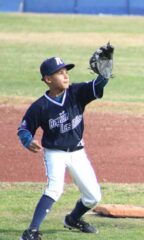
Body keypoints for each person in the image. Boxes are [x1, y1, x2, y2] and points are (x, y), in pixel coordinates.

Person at [18, 43, 114, 240]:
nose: (65, 75)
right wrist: (28, 140)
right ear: (47, 79)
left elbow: (97, 86)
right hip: (55, 153)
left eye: (66, 71)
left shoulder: (76, 93)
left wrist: (104, 76)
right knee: (55, 188)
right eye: (60, 73)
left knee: (93, 197)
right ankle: (31, 232)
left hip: (78, 152)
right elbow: (24, 128)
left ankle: (72, 219)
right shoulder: (40, 106)